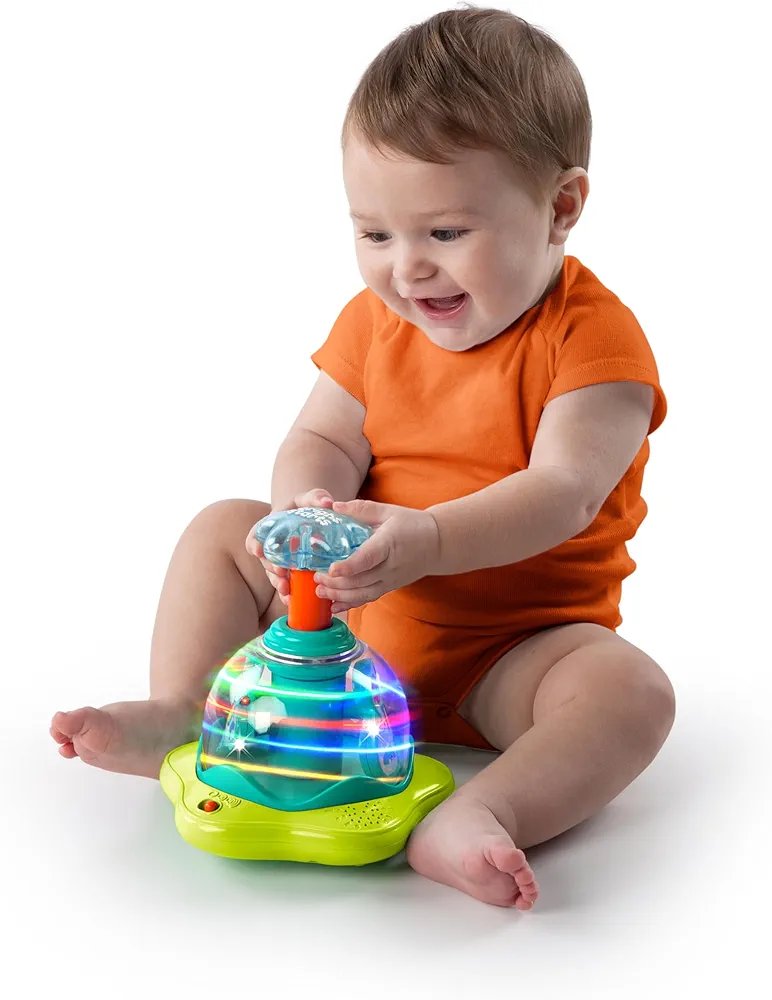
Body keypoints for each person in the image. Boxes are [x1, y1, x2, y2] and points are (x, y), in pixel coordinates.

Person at [50, 6, 675, 910]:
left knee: (631, 690)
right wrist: (303, 507)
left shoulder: (595, 340)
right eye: (376, 234)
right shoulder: (376, 320)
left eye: (446, 233)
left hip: (513, 657)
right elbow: (324, 437)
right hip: (344, 623)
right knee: (222, 527)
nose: (407, 270)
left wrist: (427, 539)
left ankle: (482, 811)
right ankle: (193, 713)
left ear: (562, 207)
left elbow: (564, 491)